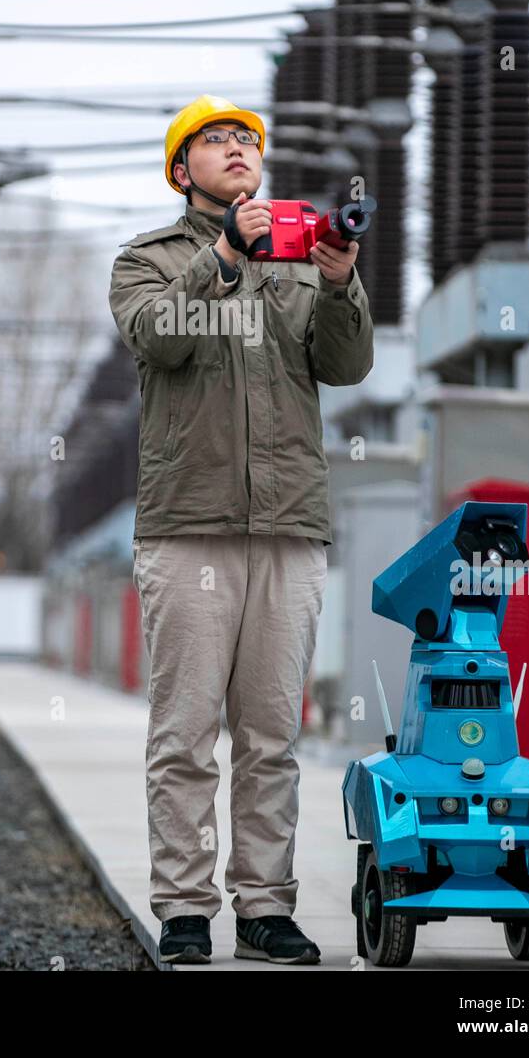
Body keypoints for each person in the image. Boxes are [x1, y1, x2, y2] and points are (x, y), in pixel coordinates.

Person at [108, 94, 374, 965]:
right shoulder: (146, 261)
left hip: (288, 526)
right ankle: (186, 911)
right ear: (182, 170)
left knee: (272, 737)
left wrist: (339, 283)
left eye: (248, 141)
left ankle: (265, 910)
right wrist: (226, 254)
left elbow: (345, 364)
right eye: (216, 141)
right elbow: (161, 338)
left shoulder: (300, 260)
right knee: (185, 733)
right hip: (189, 525)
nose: (237, 150)